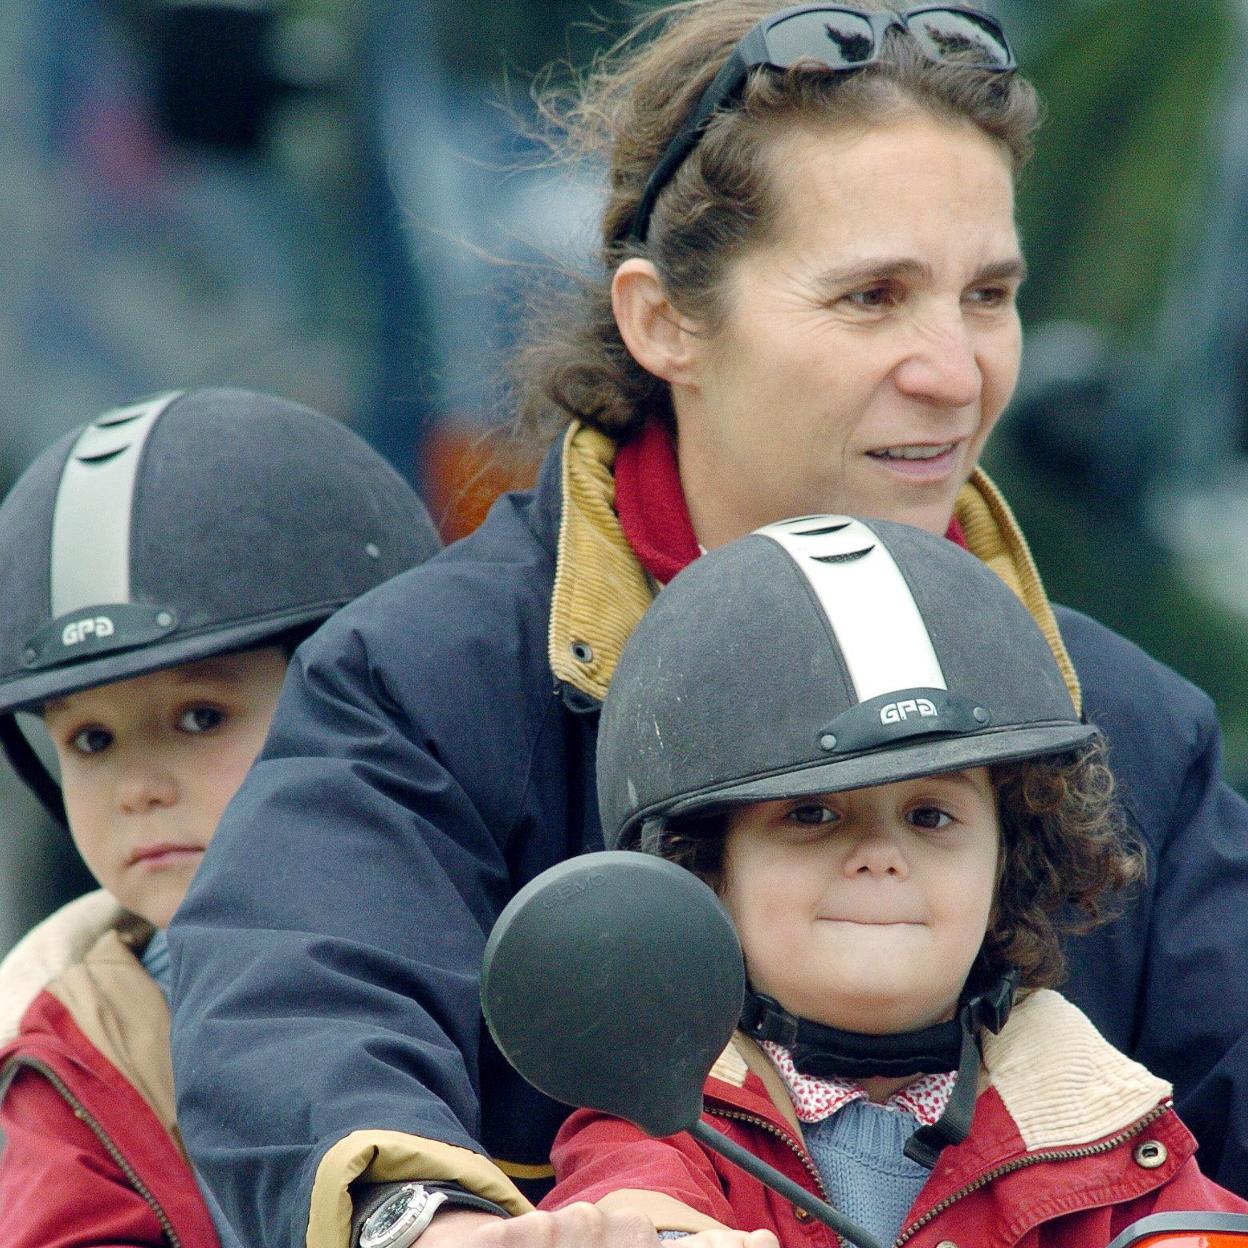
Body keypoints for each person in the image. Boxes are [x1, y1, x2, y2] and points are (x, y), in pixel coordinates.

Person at [167, 5, 1248, 1247]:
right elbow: (294, 1004)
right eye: (872, 297)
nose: (955, 372)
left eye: (988, 295)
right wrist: (431, 1223)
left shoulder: (1129, 727)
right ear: (663, 320)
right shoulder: (424, 683)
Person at [542, 515, 1248, 1247]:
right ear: (706, 868)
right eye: (812, 814)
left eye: (931, 816)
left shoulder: (1126, 1144)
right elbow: (631, 1210)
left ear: (1009, 863)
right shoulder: (652, 1128)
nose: (881, 855)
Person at [0, 388, 441, 1248]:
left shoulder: (520, 949)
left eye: (200, 717)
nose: (138, 788)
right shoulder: (74, 1048)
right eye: (91, 739)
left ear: (376, 698)